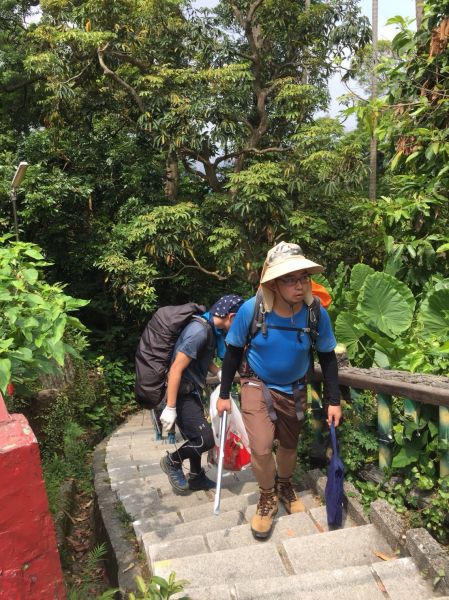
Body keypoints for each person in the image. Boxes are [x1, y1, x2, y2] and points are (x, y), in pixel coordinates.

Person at [217, 242, 341, 539]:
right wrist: (223, 395)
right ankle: (267, 496)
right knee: (260, 447)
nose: (299, 285)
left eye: (303, 278)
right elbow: (233, 351)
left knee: (288, 444)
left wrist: (333, 400)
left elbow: (327, 355)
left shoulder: (315, 313)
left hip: (296, 386)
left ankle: (285, 484)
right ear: (274, 282)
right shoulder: (252, 309)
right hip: (256, 382)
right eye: (291, 279)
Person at [159, 294, 244, 494]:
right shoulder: (198, 331)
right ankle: (172, 461)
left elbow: (200, 359)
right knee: (205, 438)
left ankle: (196, 477)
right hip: (181, 393)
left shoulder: (208, 328)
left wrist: (218, 372)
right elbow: (176, 369)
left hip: (192, 389)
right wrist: (170, 407)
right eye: (239, 321)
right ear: (231, 316)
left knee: (196, 432)